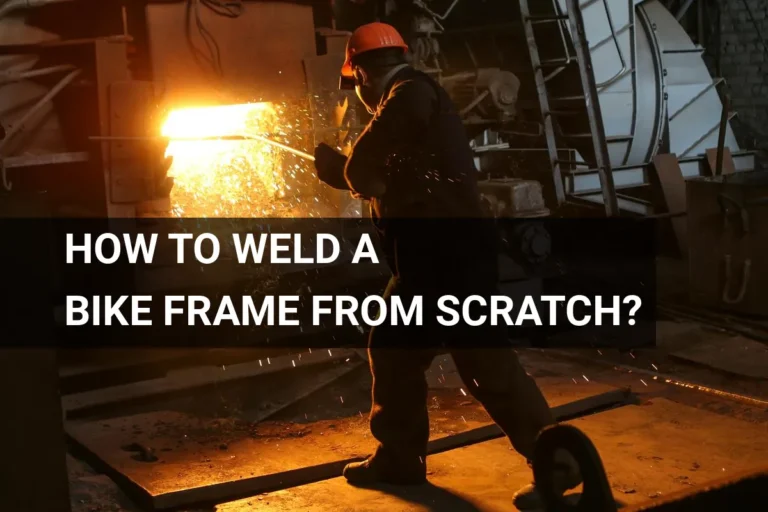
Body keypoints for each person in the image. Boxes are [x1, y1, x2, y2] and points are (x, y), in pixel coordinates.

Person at [312, 22, 581, 510]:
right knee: (434, 354)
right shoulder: (413, 99)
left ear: (362, 75)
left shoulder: (408, 93)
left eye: (357, 86)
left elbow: (373, 166)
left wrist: (349, 169)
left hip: (442, 262)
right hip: (443, 258)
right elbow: (390, 177)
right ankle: (409, 457)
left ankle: (552, 461)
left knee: (464, 359)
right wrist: (351, 173)